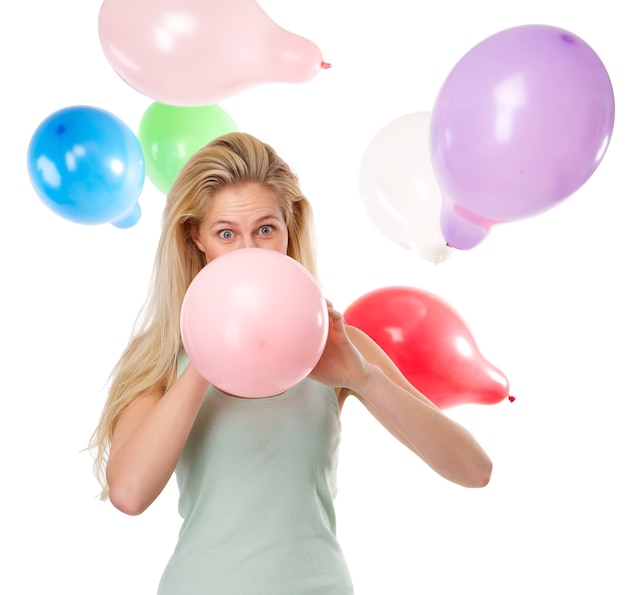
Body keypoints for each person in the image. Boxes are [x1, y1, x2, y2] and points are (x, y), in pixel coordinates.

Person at [89, 132, 492, 594]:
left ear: (288, 228)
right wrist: (207, 353)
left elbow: (474, 470)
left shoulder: (338, 346)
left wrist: (361, 377)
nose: (248, 253)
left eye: (265, 229)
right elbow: (129, 494)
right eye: (226, 234)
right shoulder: (161, 355)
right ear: (195, 237)